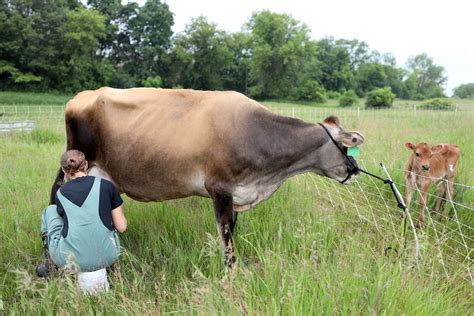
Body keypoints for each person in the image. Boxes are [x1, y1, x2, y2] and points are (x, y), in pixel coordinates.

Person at [37, 150, 127, 278]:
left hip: (71, 260)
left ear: (64, 171)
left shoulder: (61, 193)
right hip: (109, 255)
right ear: (86, 166)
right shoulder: (107, 186)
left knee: (50, 210)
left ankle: (51, 264)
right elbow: (122, 227)